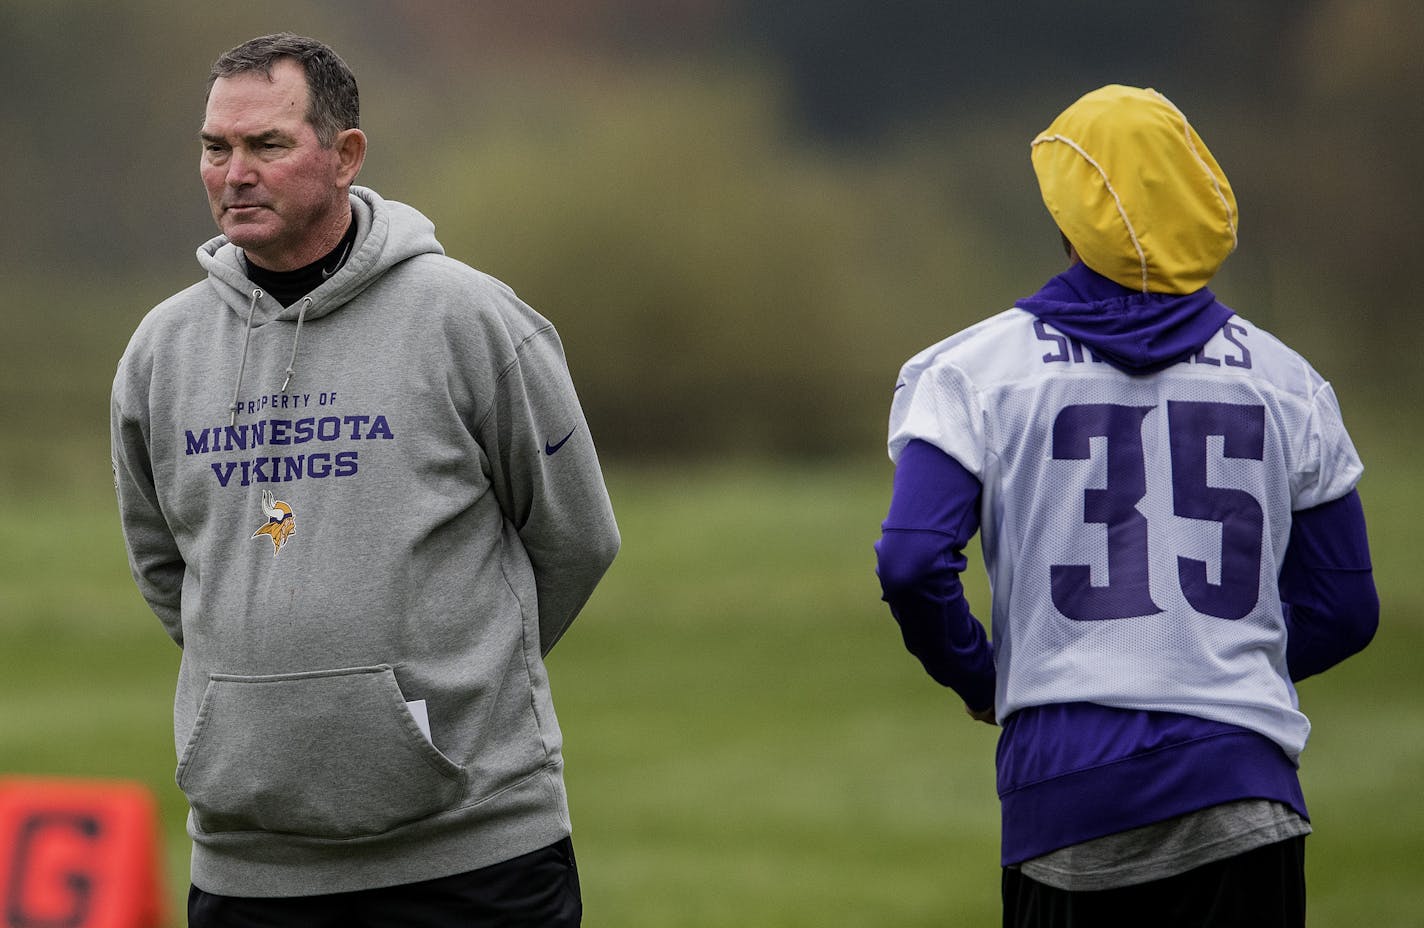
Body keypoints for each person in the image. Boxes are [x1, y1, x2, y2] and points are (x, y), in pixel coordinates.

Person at [110, 33, 619, 926]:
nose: (234, 172)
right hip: (249, 866)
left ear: (344, 156)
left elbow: (575, 538)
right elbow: (165, 569)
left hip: (474, 852)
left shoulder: (467, 318)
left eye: (267, 145)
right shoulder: (163, 349)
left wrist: (443, 691)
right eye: (214, 147)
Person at [875, 85, 1378, 926]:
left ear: (1065, 214)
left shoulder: (969, 371)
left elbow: (911, 559)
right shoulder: (1291, 382)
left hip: (1066, 795)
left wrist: (985, 677)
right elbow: (1347, 606)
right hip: (1244, 792)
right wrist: (1213, 673)